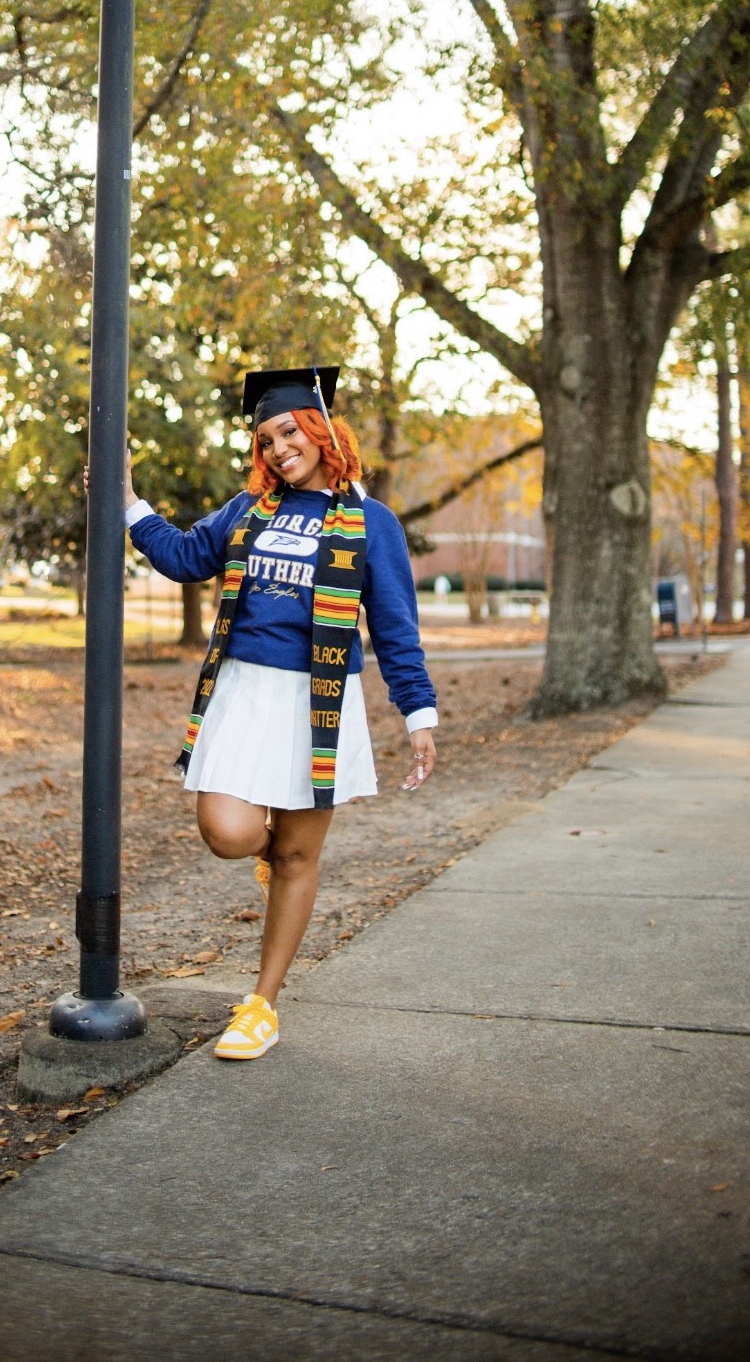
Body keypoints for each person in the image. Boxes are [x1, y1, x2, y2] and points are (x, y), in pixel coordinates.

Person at [124, 365, 438, 1062]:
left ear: (321, 429)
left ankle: (261, 1003)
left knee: (298, 854)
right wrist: (127, 503)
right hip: (243, 692)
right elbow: (182, 556)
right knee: (228, 830)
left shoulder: (370, 523)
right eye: (264, 438)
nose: (275, 449)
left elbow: (393, 625)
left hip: (318, 701)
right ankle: (268, 860)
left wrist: (418, 713)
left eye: (287, 431)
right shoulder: (247, 510)